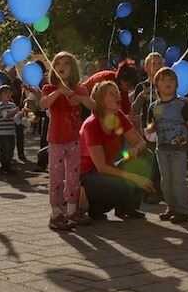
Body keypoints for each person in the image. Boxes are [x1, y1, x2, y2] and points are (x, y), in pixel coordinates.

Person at [80, 81, 154, 221]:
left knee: (144, 155)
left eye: (117, 93)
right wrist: (134, 177)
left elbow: (141, 142)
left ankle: (127, 208)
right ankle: (94, 208)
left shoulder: (118, 116)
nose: (117, 96)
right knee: (124, 188)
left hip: (108, 169)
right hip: (88, 176)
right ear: (101, 100)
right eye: (112, 94)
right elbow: (101, 167)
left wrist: (135, 149)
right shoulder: (91, 125)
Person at [40, 52, 95, 230]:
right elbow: (43, 104)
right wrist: (58, 92)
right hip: (56, 139)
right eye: (58, 64)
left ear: (73, 69)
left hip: (74, 140)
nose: (62, 66)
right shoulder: (49, 88)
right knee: (56, 177)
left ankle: (72, 210)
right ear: (54, 68)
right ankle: (56, 213)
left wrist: (81, 99)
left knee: (73, 176)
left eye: (66, 64)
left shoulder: (79, 89)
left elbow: (94, 106)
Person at [144, 67, 188, 224]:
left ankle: (182, 209)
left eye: (171, 79)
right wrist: (150, 128)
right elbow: (152, 123)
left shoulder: (181, 104)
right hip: (162, 148)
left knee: (178, 180)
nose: (167, 82)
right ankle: (171, 207)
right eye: (163, 80)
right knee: (166, 181)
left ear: (177, 84)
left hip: (179, 148)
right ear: (157, 86)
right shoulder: (155, 107)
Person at [130, 52, 165, 128]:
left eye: (160, 63)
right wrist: (142, 96)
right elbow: (135, 110)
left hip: (164, 127)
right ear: (146, 67)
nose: (157, 66)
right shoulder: (141, 86)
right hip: (146, 128)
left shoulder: (166, 85)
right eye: (153, 63)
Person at [0, 85, 20, 175]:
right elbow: (6, 116)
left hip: (11, 131)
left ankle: (8, 166)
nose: (8, 94)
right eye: (5, 93)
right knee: (4, 150)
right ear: (0, 95)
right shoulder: (0, 106)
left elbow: (16, 119)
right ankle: (3, 167)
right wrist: (14, 111)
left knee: (10, 150)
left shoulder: (12, 105)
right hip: (3, 132)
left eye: (9, 92)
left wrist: (20, 113)